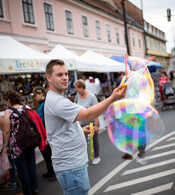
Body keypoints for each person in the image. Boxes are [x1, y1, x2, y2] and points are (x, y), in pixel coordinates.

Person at [44, 59, 127, 194]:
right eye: (59, 75)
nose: (65, 78)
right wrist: (113, 97)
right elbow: (88, 115)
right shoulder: (57, 101)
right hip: (71, 167)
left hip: (71, 166)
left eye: (66, 74)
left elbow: (61, 130)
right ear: (49, 77)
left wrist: (80, 131)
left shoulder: (56, 98)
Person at [3, 90, 39, 195]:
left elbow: (6, 130)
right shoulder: (25, 109)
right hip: (28, 141)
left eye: (6, 101)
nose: (6, 103)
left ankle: (27, 191)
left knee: (22, 168)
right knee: (31, 165)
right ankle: (35, 188)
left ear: (9, 100)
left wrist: (6, 145)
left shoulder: (8, 112)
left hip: (17, 144)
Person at [32, 86, 56, 181]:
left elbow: (46, 120)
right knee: (46, 154)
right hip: (43, 133)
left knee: (49, 154)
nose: (34, 97)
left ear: (41, 94)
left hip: (46, 133)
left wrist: (46, 134)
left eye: (35, 95)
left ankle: (54, 172)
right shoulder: (41, 104)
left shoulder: (45, 104)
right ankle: (50, 171)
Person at [74, 79, 100, 165]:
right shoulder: (77, 96)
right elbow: (75, 107)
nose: (75, 90)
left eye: (77, 88)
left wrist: (96, 125)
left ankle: (96, 156)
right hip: (81, 123)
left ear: (82, 87)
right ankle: (85, 160)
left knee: (94, 140)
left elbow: (96, 111)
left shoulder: (92, 97)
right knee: (82, 142)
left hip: (92, 122)